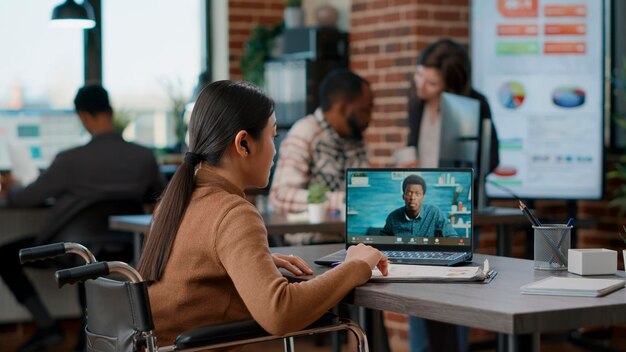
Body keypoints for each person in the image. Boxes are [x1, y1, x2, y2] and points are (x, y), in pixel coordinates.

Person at [137, 80, 388, 346]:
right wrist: (355, 267)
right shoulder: (234, 213)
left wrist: (251, 259)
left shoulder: (176, 201)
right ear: (244, 144)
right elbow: (280, 313)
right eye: (273, 136)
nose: (275, 149)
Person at [0, 84, 165, 352]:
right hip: (123, 246)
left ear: (84, 117)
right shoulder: (144, 157)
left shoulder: (70, 160)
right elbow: (158, 196)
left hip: (73, 249)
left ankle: (47, 327)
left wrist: (14, 184)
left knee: (4, 256)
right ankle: (85, 336)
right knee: (91, 259)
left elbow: (24, 199)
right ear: (110, 112)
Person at [406, 38, 499, 352]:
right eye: (420, 76)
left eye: (432, 82)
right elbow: (414, 147)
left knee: (457, 291)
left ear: (453, 85)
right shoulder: (417, 102)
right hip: (420, 208)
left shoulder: (475, 104)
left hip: (459, 210)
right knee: (415, 288)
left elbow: (492, 158)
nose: (422, 86)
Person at [269, 69, 373, 244]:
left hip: (355, 242)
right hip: (312, 245)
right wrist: (344, 201)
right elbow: (281, 196)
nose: (370, 118)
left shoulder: (356, 139)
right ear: (341, 107)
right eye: (365, 110)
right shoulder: (305, 133)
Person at [380, 175, 455, 237]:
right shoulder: (393, 217)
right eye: (409, 193)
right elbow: (383, 242)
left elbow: (452, 237)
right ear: (403, 196)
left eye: (417, 194)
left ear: (423, 197)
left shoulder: (434, 213)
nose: (412, 197)